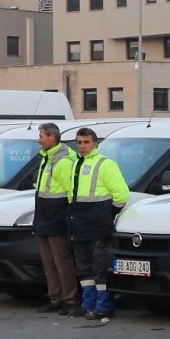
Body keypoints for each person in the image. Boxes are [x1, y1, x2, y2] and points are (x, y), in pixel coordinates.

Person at [65, 125, 130, 324]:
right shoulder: (75, 164)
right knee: (84, 268)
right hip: (80, 223)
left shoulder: (105, 164)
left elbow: (121, 195)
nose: (82, 146)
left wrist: (107, 213)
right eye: (79, 142)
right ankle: (88, 304)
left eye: (86, 142)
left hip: (98, 224)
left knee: (100, 267)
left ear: (95, 143)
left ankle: (104, 306)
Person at [30, 122, 81, 314]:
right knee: (49, 263)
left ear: (51, 137)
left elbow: (71, 193)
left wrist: (68, 217)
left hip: (57, 218)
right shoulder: (48, 158)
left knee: (62, 262)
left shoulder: (63, 161)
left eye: (41, 136)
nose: (39, 140)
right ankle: (55, 298)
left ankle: (69, 299)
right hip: (45, 217)